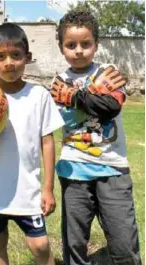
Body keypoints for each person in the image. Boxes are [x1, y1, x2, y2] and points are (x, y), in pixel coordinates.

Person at [0, 22, 65, 265]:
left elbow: (47, 142)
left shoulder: (39, 95)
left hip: (28, 190)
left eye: (16, 55)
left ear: (27, 57)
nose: (9, 63)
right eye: (1, 56)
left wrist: (47, 188)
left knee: (40, 244)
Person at [50, 11, 142, 265]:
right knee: (74, 243)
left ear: (96, 45)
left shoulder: (109, 71)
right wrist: (91, 97)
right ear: (61, 47)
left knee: (124, 242)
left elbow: (111, 107)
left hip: (112, 169)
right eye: (71, 45)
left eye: (85, 43)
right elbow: (63, 120)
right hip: (73, 169)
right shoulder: (58, 81)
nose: (78, 50)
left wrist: (75, 97)